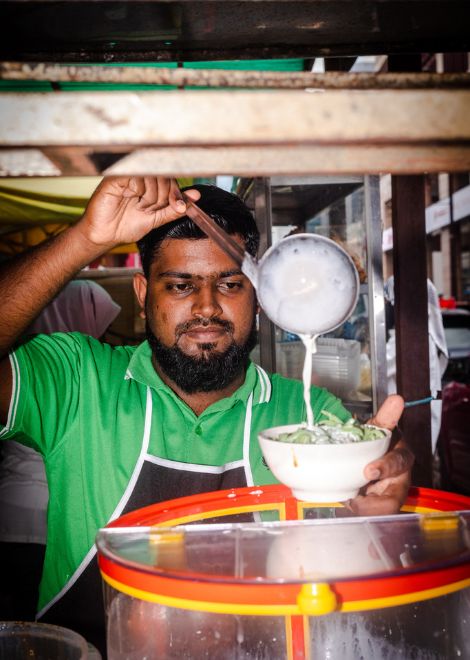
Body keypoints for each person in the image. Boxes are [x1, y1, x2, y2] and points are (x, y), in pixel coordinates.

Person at [0, 177, 413, 654]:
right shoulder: (77, 379)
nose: (206, 307)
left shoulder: (309, 417)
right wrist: (83, 241)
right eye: (180, 285)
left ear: (258, 297)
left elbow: (354, 578)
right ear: (142, 292)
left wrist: (378, 502)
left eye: (230, 285)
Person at [0, 280, 121, 620]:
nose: (108, 335)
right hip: (51, 524)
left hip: (9, 513)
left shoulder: (23, 367)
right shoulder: (74, 377)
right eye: (105, 325)